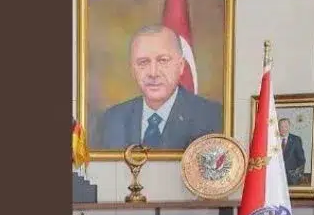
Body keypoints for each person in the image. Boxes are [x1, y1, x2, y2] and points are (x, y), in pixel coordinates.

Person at [91, 25, 223, 151]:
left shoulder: (213, 118)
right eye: (143, 62)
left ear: (181, 66)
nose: (153, 73)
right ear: (132, 69)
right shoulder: (111, 121)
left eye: (163, 60)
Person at [279, 117, 306, 184]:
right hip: (276, 176)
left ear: (289, 127)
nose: (283, 129)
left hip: (291, 178)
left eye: (286, 126)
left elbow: (301, 160)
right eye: (281, 127)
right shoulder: (274, 140)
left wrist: (297, 175)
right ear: (278, 127)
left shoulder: (296, 140)